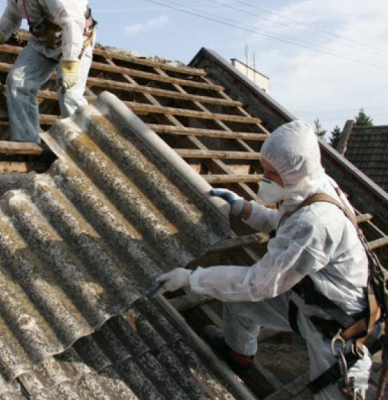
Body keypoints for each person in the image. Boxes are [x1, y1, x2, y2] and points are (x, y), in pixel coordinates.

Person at [152, 120, 373, 399]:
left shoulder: (317, 221)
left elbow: (259, 283)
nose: (264, 178)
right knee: (238, 302)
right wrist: (245, 208)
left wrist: (192, 278)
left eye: (272, 173)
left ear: (295, 173)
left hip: (334, 326)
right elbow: (283, 225)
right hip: (307, 297)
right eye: (263, 169)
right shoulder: (311, 186)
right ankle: (240, 355)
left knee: (334, 393)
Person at [0, 0, 97, 143]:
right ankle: (27, 141)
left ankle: (83, 144)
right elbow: (12, 12)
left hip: (75, 40)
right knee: (18, 82)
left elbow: (72, 23)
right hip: (43, 42)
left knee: (69, 94)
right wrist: (0, 34)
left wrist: (70, 62)